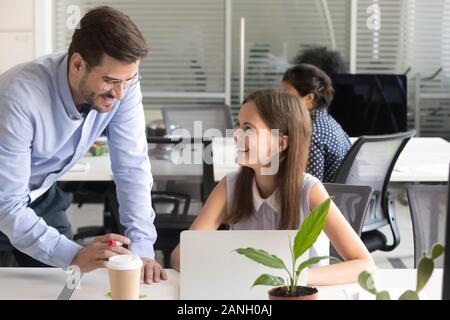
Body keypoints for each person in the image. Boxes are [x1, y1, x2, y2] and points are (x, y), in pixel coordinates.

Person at [0, 6, 166, 284]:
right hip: (6, 198)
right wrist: (73, 254)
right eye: (111, 81)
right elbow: (7, 203)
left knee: (69, 285)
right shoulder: (18, 98)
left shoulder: (122, 85)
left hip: (39, 197)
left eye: (128, 80)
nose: (120, 93)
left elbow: (132, 167)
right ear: (77, 64)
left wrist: (142, 248)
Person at [170, 89, 374, 286]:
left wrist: (289, 277)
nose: (236, 135)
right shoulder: (230, 185)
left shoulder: (309, 190)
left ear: (281, 143)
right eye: (238, 126)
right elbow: (180, 256)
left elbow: (364, 265)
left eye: (248, 128)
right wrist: (228, 267)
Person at [282, 63, 351, 182]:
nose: (282, 101)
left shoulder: (312, 134)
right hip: (336, 198)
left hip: (324, 199)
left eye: (287, 95)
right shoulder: (330, 123)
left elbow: (309, 187)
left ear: (309, 98)